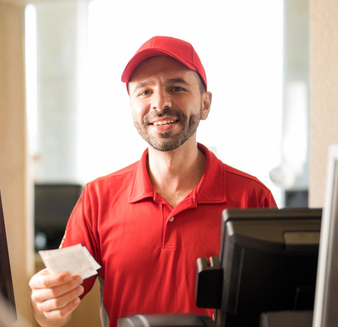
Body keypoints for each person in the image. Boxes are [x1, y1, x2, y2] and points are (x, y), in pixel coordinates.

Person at [29, 36, 277, 327]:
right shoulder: (98, 198)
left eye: (177, 87)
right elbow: (53, 314)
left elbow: (274, 309)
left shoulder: (253, 198)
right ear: (132, 108)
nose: (160, 103)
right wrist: (46, 306)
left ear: (205, 104)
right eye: (145, 92)